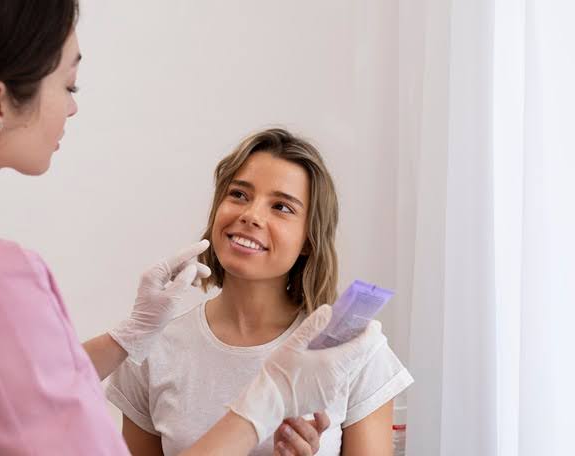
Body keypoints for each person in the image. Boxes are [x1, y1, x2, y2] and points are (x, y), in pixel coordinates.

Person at [0, 1, 385, 454]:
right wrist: (268, 396)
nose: (72, 105)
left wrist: (125, 338)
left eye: (283, 206)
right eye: (67, 83)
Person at [108, 128, 414, 455]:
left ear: (309, 240)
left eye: (281, 207)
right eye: (239, 194)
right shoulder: (153, 350)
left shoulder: (352, 354)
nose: (250, 215)